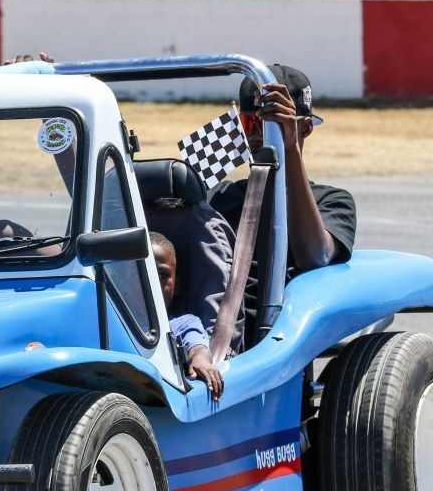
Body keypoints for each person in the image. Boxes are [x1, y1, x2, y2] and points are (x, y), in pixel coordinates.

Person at [209, 64, 356, 272]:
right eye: (248, 122)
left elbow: (314, 257)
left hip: (282, 303)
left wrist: (290, 147)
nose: (255, 134)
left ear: (304, 128)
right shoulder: (219, 196)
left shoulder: (332, 201)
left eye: (269, 123)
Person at [151, 232, 224, 400]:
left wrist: (201, 361)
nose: (153, 281)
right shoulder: (110, 317)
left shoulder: (183, 324)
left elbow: (197, 345)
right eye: (143, 273)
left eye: (162, 275)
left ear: (177, 285)